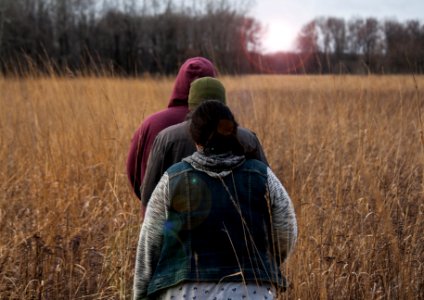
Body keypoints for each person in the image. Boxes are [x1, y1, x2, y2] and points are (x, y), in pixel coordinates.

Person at [133, 100, 297, 300]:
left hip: (183, 292)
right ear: (233, 132)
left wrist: (141, 295)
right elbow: (286, 228)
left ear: (196, 139)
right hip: (251, 290)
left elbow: (149, 244)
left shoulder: (172, 179)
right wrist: (267, 261)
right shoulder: (262, 175)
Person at [140, 77, 268, 217]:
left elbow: (148, 195)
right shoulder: (248, 138)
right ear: (223, 104)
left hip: (181, 231)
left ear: (190, 103)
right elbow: (267, 187)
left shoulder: (166, 138)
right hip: (239, 230)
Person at [126, 57, 217, 200]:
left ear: (179, 83)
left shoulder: (151, 124)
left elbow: (133, 172)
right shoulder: (223, 126)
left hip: (158, 218)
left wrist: (149, 205)